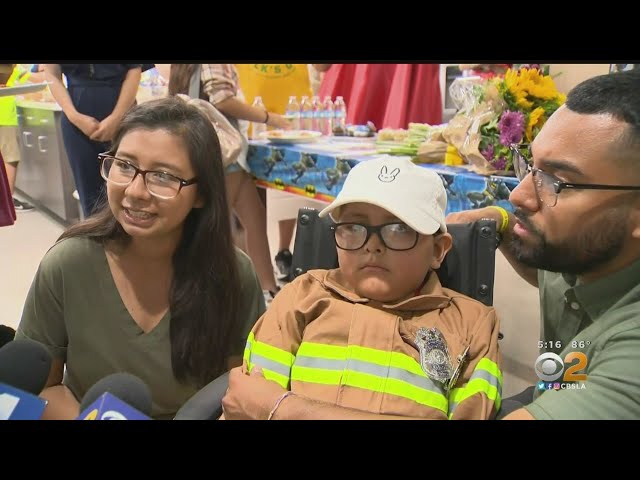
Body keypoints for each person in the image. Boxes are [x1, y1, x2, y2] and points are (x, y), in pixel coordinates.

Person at [15, 96, 265, 420]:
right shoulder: (68, 264)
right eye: (124, 165)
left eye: (163, 176)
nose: (135, 191)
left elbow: (239, 394)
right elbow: (40, 386)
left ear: (201, 193)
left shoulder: (233, 274)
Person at [221, 156, 502, 420]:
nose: (372, 245)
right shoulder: (302, 298)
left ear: (438, 250)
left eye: (399, 229)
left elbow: (265, 405)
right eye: (354, 227)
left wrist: (282, 407)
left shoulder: (472, 324)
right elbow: (249, 404)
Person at [447, 69, 640, 420]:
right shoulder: (588, 251)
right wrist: (501, 222)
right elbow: (549, 275)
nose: (518, 196)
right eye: (530, 165)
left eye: (557, 181)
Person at [169, 64, 290, 300]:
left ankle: (265, 288)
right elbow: (222, 99)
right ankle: (212, 291)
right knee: (217, 224)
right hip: (222, 149)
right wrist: (268, 117)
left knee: (253, 218)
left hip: (211, 147)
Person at [235, 63, 316, 283]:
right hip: (251, 116)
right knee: (251, 205)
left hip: (293, 113)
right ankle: (251, 272)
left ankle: (283, 252)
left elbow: (322, 67)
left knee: (292, 185)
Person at [44, 64, 153, 217]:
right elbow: (52, 75)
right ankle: (94, 231)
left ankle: (130, 230)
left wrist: (117, 117)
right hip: (76, 121)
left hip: (123, 115)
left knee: (128, 186)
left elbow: (134, 71)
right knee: (88, 193)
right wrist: (74, 116)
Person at [0, 64, 35, 212]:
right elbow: (36, 78)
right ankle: (8, 201)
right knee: (10, 158)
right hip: (5, 116)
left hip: (5, 114)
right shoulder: (12, 68)